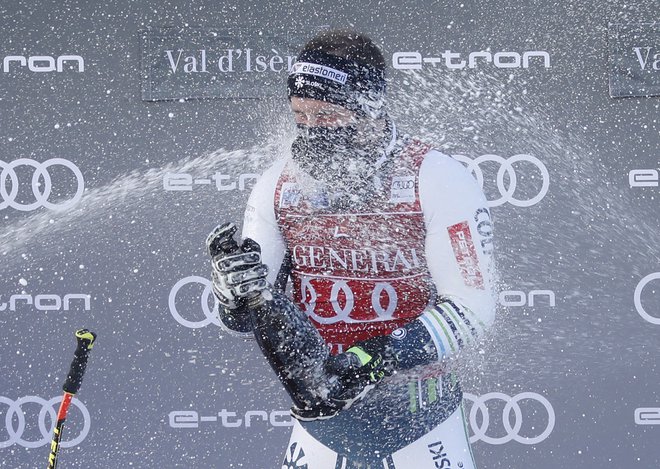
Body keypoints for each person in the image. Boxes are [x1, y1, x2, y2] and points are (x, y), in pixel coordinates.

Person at [207, 29, 496, 469]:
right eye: (300, 116)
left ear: (369, 107)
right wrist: (233, 293)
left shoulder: (436, 178)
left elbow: (474, 307)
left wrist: (380, 354)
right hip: (322, 424)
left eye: (325, 116)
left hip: (421, 420)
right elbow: (246, 315)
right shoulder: (278, 186)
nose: (309, 131)